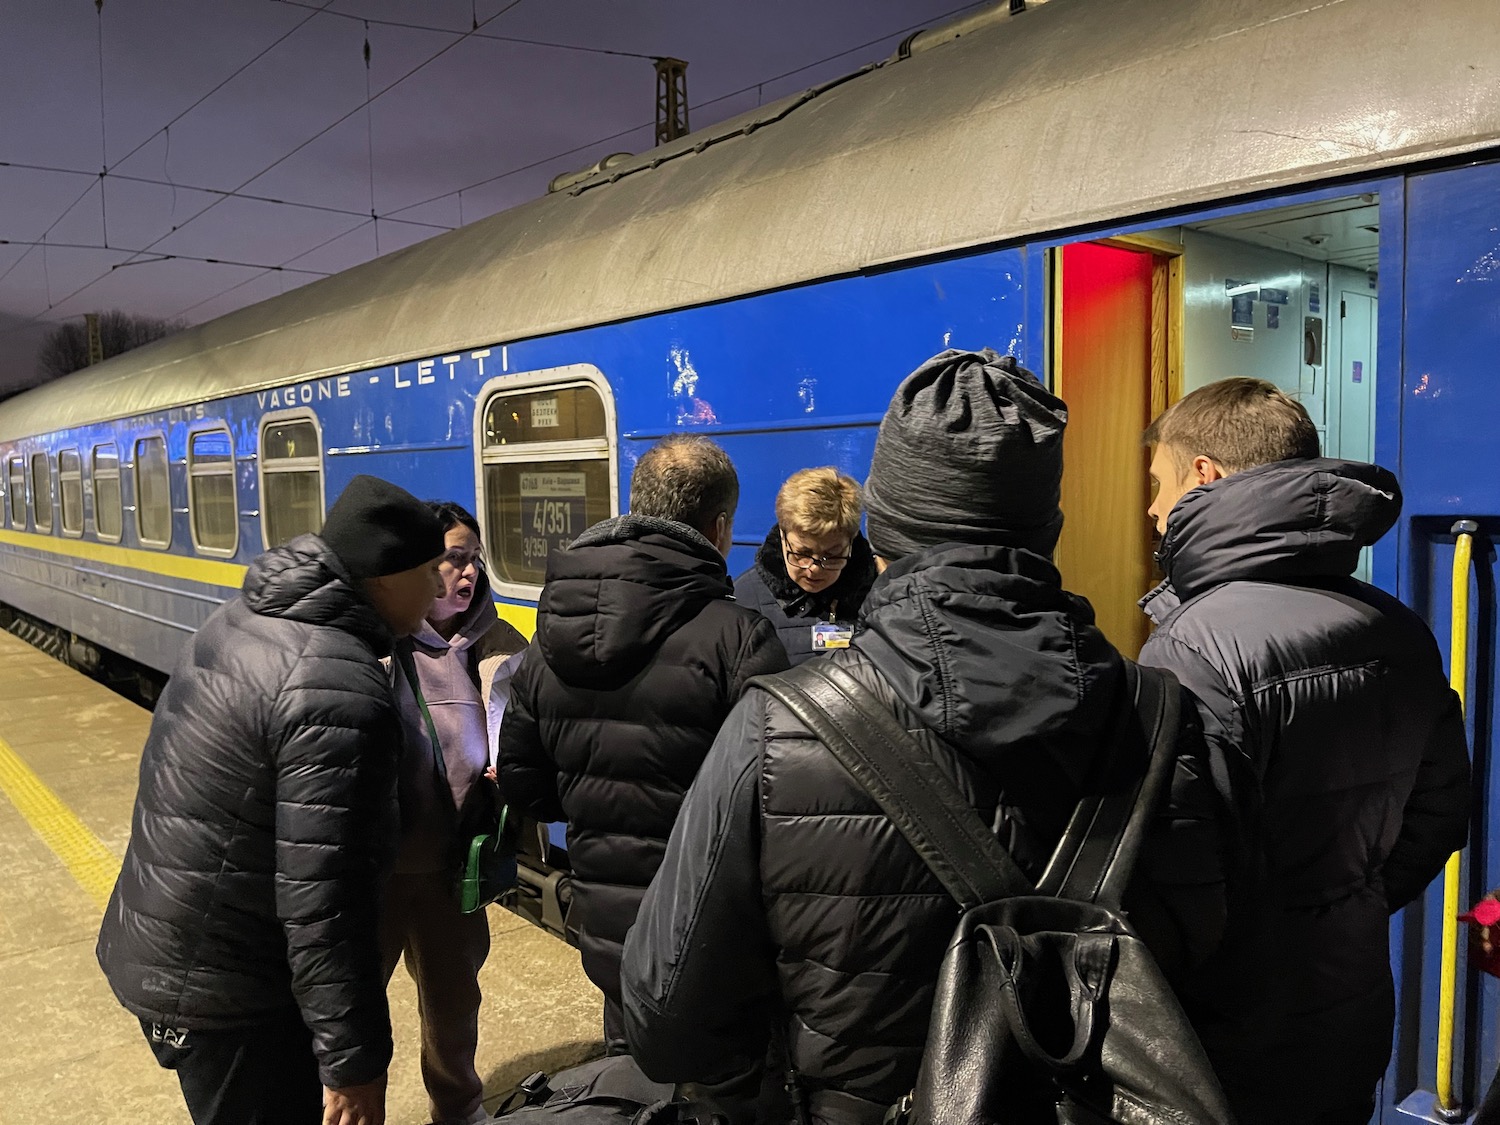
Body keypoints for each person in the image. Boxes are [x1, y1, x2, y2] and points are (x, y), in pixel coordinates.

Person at [619, 349, 1222, 1125]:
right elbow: (1225, 973)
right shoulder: (1167, 718)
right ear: (1047, 527)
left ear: (884, 532)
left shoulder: (776, 732)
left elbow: (665, 1023)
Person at [1137, 377, 1472, 1125]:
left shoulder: (1192, 648)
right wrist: (1351, 902)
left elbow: (1175, 872)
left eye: (1157, 484)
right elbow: (1444, 807)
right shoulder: (1398, 626)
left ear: (1204, 476)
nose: (1153, 510)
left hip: (1226, 1028)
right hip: (1350, 1003)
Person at [97, 474, 448, 1125]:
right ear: (384, 575)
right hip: (230, 988)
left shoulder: (245, 618)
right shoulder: (335, 684)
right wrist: (355, 1065)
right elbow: (325, 896)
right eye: (430, 571)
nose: (438, 586)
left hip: (177, 945)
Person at [498, 434, 789, 1052]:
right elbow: (778, 800)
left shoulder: (548, 638)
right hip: (715, 935)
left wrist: (594, 805)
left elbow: (522, 781)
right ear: (718, 529)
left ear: (635, 505)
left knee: (631, 1080)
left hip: (610, 931)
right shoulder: (739, 638)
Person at [382, 501, 527, 1125]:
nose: (467, 573)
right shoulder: (378, 646)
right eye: (453, 559)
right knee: (353, 1011)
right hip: (380, 869)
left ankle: (459, 1114)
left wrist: (515, 770)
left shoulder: (502, 645)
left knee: (452, 1009)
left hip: (452, 869)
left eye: (475, 559)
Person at [734, 467, 878, 666]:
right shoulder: (743, 600)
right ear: (782, 536)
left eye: (832, 555)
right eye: (802, 553)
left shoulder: (880, 593)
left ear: (851, 542)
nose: (814, 569)